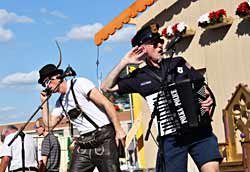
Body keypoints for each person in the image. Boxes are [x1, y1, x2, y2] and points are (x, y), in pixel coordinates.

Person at [100, 23, 222, 172]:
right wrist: (124, 62)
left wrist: (207, 100)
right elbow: (106, 87)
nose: (160, 45)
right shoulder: (139, 77)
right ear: (142, 48)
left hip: (200, 131)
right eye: (154, 43)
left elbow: (201, 86)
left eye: (161, 42)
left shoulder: (179, 62)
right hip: (172, 138)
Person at [37, 63, 126, 172]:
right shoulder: (60, 102)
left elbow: (106, 103)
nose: (47, 87)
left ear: (57, 77)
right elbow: (49, 125)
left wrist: (119, 129)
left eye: (47, 82)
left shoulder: (79, 84)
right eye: (44, 85)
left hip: (103, 137)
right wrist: (44, 103)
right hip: (84, 143)